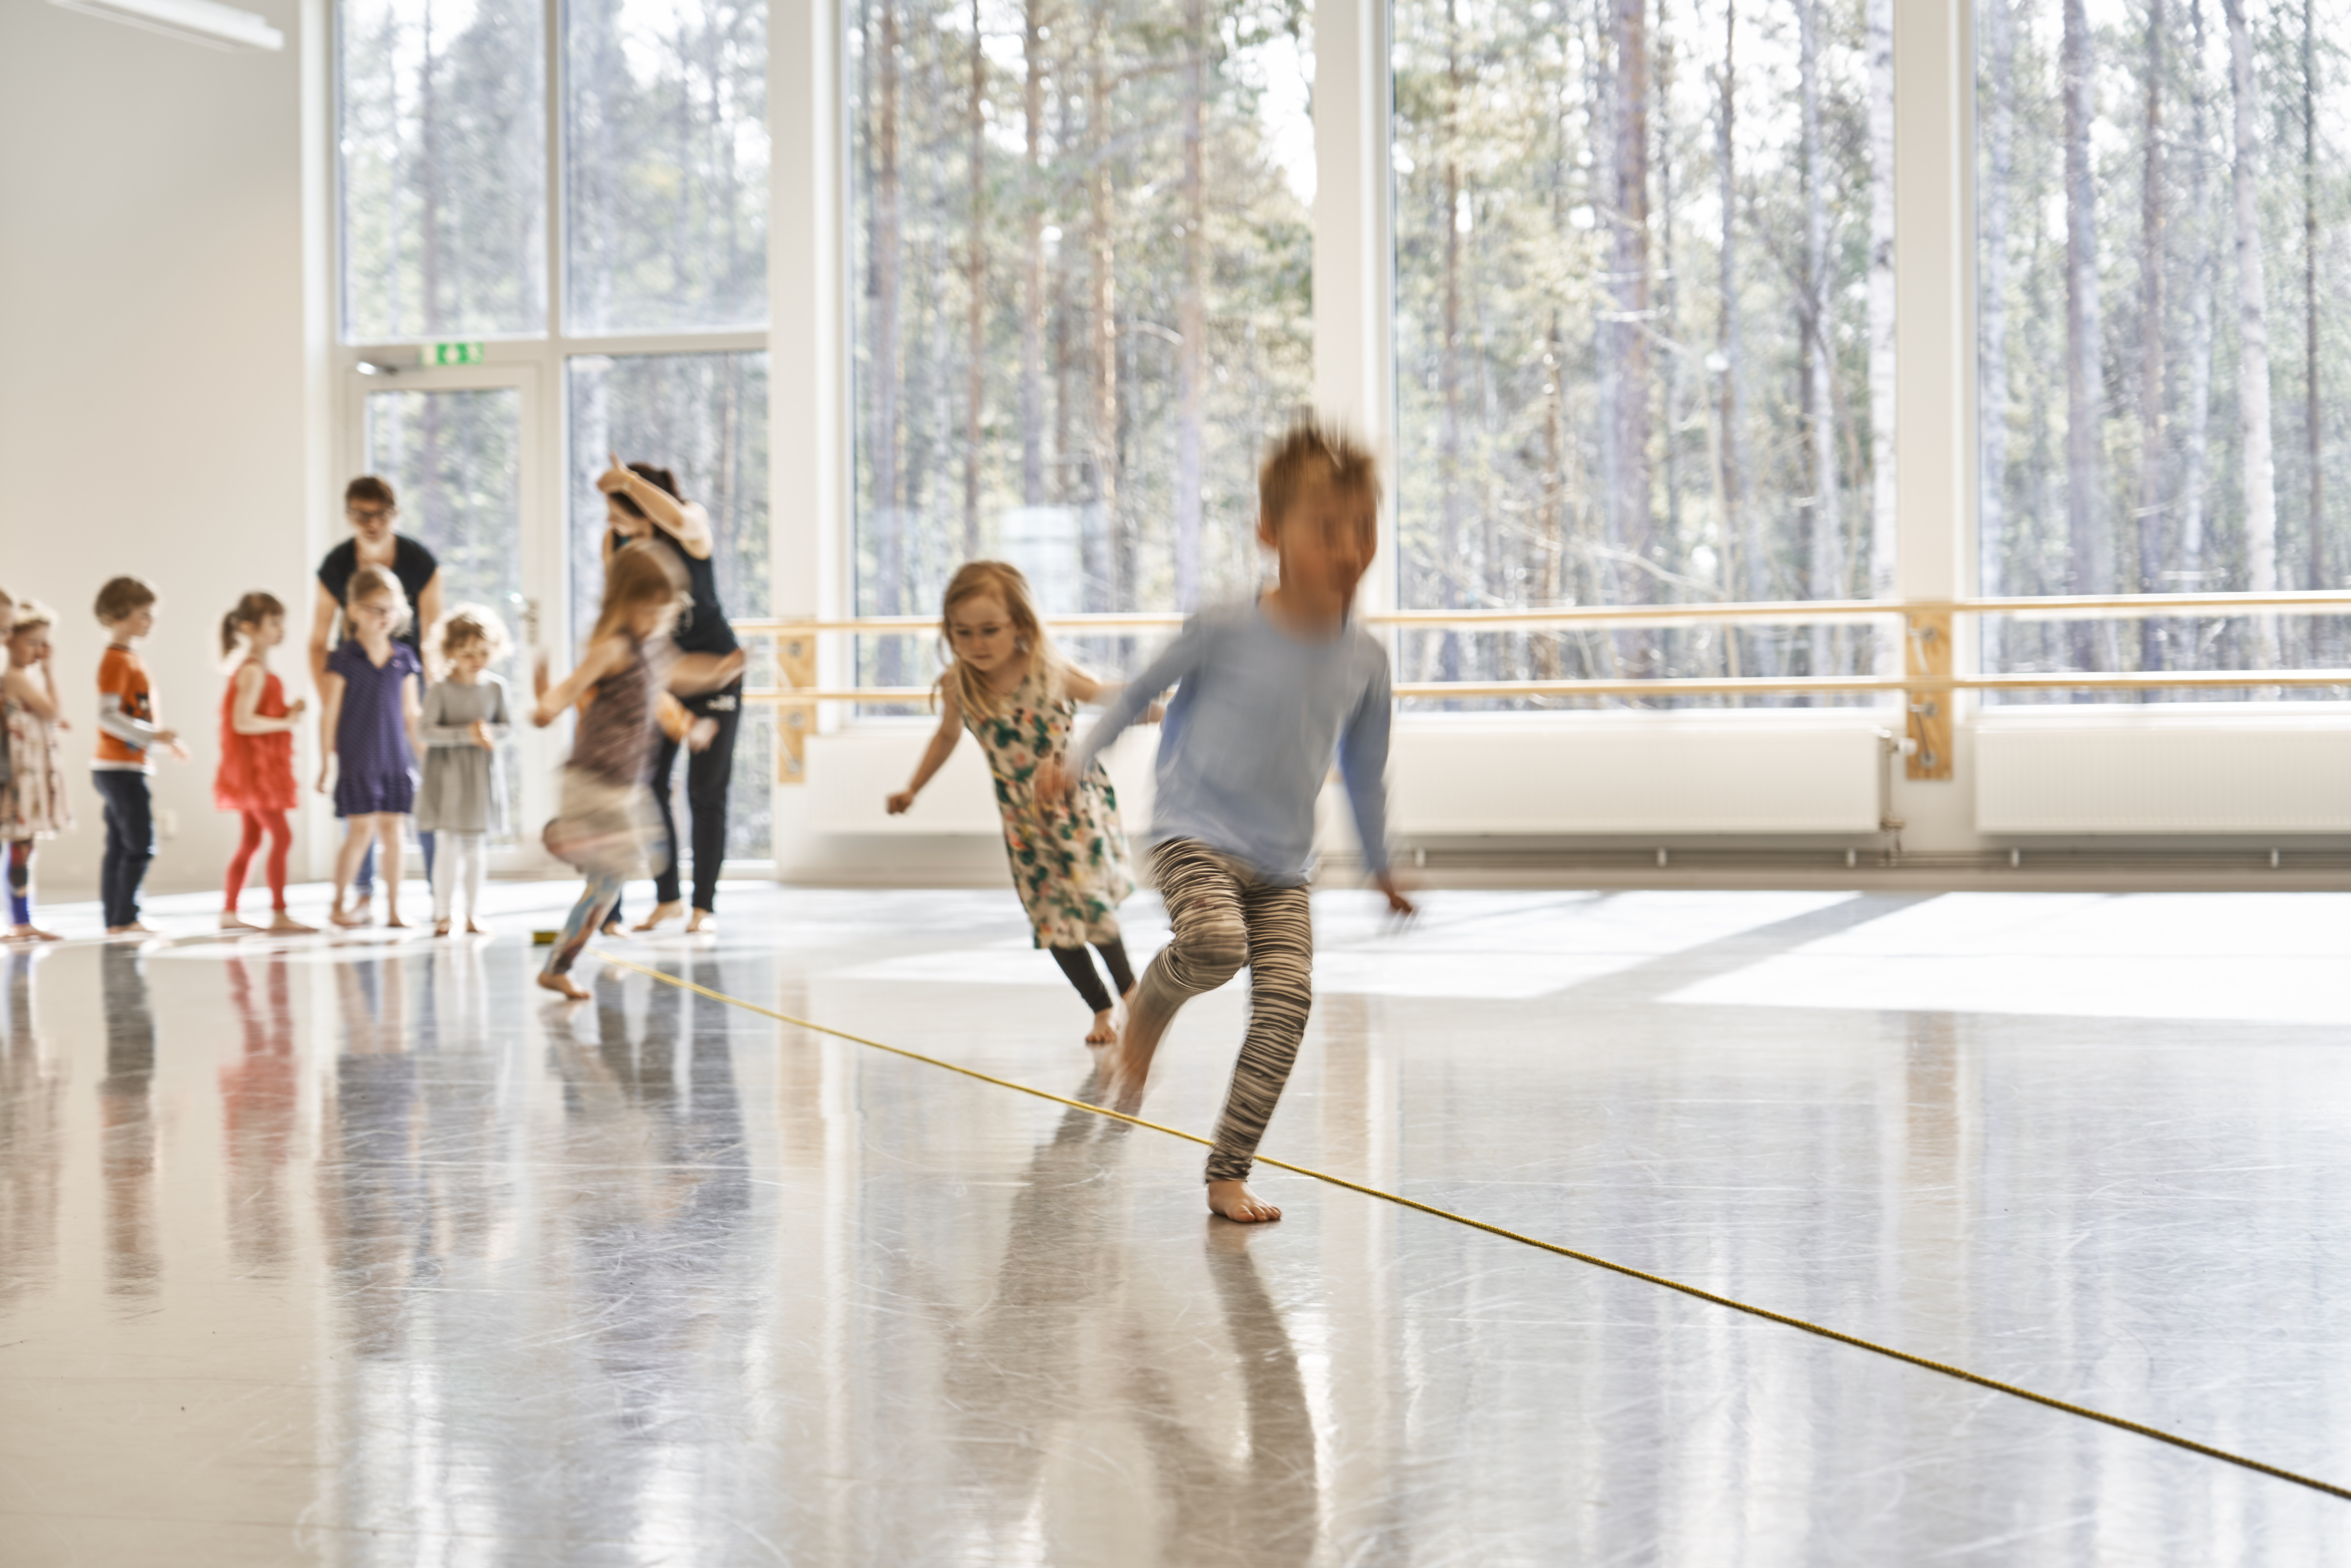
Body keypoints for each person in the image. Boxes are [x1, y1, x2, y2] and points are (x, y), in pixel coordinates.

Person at [1039, 421, 1415, 1225]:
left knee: (1286, 1006)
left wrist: (1381, 867)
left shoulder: (1366, 661)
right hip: (1192, 832)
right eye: (1326, 529)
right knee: (1214, 943)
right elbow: (1138, 690)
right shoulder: (1224, 626)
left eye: (1364, 529)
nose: (1349, 549)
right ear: (1271, 532)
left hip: (1282, 864)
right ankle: (1146, 1010)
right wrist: (1075, 762)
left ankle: (1227, 1173)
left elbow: (1364, 770)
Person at [887, 561, 1149, 1045]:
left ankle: (1134, 994)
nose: (976, 644)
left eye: (990, 630)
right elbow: (946, 737)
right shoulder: (958, 685)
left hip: (1076, 807)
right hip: (1024, 824)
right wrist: (913, 787)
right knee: (1050, 919)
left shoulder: (1047, 671)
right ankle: (1101, 1008)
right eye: (962, 633)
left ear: (1021, 626)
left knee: (1090, 903)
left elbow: (1099, 694)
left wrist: (1149, 704)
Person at [531, 544, 744, 999]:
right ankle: (565, 835)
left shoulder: (655, 652)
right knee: (630, 853)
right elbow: (572, 687)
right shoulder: (613, 647)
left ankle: (558, 965)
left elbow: (681, 678)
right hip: (592, 778)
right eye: (648, 610)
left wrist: (718, 678)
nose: (655, 620)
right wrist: (547, 706)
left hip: (623, 786)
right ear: (625, 603)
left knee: (617, 878)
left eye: (663, 612)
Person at [595, 455, 738, 936]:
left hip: (715, 671)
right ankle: (668, 899)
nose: (617, 530)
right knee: (649, 785)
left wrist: (629, 482)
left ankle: (704, 908)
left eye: (625, 519)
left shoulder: (688, 523)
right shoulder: (617, 542)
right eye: (612, 521)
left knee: (706, 791)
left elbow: (676, 517)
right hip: (662, 673)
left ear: (648, 513)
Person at [310, 476, 443, 919]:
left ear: (395, 513)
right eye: (360, 515)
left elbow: (432, 638)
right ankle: (354, 897)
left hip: (400, 702)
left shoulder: (419, 562)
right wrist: (337, 701)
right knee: (361, 827)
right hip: (357, 712)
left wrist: (428, 727)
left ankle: (425, 897)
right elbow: (317, 641)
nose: (370, 523)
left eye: (380, 514)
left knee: (403, 821)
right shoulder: (336, 565)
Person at [317, 565, 423, 929]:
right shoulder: (343, 659)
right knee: (359, 834)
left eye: (390, 610)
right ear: (355, 611)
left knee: (394, 834)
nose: (384, 618)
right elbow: (328, 716)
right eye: (376, 610)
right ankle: (337, 904)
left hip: (395, 760)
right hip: (358, 759)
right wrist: (325, 763)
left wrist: (423, 753)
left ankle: (394, 909)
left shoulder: (404, 658)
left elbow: (411, 714)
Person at [92, 575, 188, 938]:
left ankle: (117, 920)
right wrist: (154, 735)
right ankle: (126, 917)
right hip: (119, 768)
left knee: (120, 845)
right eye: (144, 614)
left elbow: (137, 711)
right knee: (139, 844)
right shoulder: (117, 661)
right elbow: (107, 714)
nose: (150, 621)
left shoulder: (129, 659)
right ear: (119, 615)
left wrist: (161, 741)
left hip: (121, 766)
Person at [215, 592, 313, 934]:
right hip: (254, 770)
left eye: (280, 622)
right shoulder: (253, 671)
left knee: (252, 839)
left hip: (258, 767)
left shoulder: (257, 669)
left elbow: (255, 715)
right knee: (282, 837)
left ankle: (231, 911)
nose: (280, 630)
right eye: (273, 623)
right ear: (249, 628)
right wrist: (286, 722)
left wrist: (287, 713)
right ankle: (279, 912)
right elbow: (243, 722)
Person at [415, 605, 513, 938]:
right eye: (468, 653)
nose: (477, 660)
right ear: (451, 651)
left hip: (480, 778)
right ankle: (443, 914)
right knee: (447, 845)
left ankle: (473, 913)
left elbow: (506, 727)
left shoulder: (496, 688)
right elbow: (426, 731)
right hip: (447, 779)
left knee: (475, 848)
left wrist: (489, 734)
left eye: (484, 652)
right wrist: (465, 735)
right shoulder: (440, 690)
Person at [3, 599, 72, 943]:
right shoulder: (17, 678)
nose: (40, 651)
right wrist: (49, 671)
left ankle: (21, 918)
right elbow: (52, 710)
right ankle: (20, 921)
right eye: (33, 643)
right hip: (21, 781)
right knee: (21, 845)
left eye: (44, 645)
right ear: (10, 640)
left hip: (26, 775)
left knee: (23, 845)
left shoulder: (16, 680)